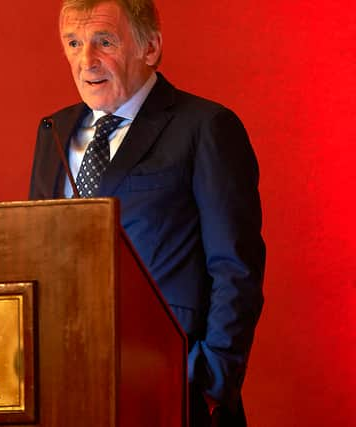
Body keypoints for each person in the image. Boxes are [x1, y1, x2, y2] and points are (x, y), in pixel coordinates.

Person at [28, 0, 266, 425]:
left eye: (105, 41)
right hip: (69, 387)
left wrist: (209, 379)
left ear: (150, 48)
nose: (87, 60)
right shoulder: (54, 132)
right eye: (74, 42)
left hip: (171, 386)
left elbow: (236, 267)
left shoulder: (205, 127)